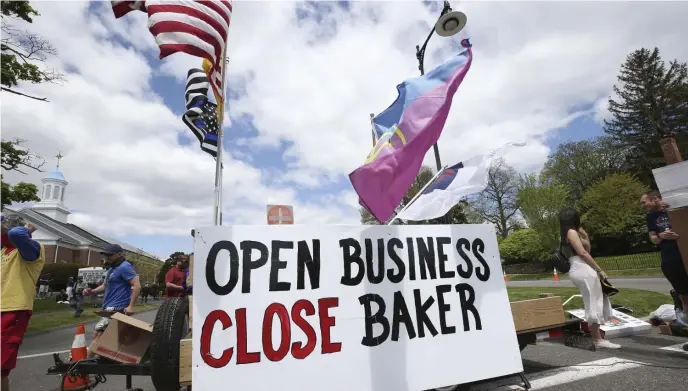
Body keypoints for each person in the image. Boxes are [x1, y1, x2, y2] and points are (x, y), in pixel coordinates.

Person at [559, 208, 620, 349]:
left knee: (595, 300)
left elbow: (586, 248)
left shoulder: (568, 233)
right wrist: (599, 269)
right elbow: (583, 253)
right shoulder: (572, 232)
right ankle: (598, 339)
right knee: (594, 302)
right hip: (582, 267)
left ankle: (597, 337)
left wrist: (584, 234)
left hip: (579, 268)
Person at [1, 215, 45, 391]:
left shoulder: (31, 249)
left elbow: (16, 234)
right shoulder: (3, 250)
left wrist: (27, 229)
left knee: (0, 367)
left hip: (13, 309)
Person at [641, 190, 688, 324]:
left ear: (655, 198)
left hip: (684, 253)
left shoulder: (676, 209)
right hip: (670, 258)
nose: (643, 205)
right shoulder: (651, 217)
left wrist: (674, 205)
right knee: (683, 294)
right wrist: (661, 236)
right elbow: (653, 238)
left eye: (644, 202)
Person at [83, 244, 141, 338]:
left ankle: (90, 353)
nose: (107, 257)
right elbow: (105, 285)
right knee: (109, 338)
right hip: (107, 307)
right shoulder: (112, 268)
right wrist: (92, 291)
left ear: (119, 254)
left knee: (98, 334)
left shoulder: (125, 267)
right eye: (106, 255)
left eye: (109, 255)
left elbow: (137, 285)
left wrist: (131, 306)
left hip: (117, 307)